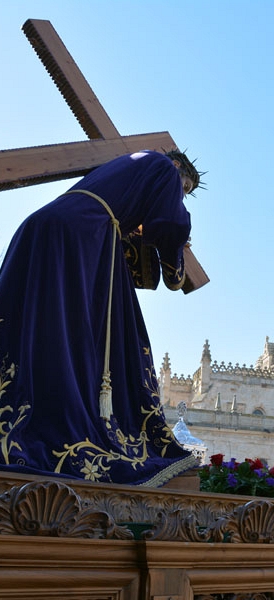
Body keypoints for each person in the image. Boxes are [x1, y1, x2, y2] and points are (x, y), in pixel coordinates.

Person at [0, 149, 205, 486]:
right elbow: (170, 223)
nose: (179, 196)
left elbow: (128, 224)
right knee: (78, 338)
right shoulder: (164, 168)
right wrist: (176, 262)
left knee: (38, 326)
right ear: (178, 167)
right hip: (78, 238)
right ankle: (62, 428)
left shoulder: (121, 170)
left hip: (42, 227)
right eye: (183, 190)